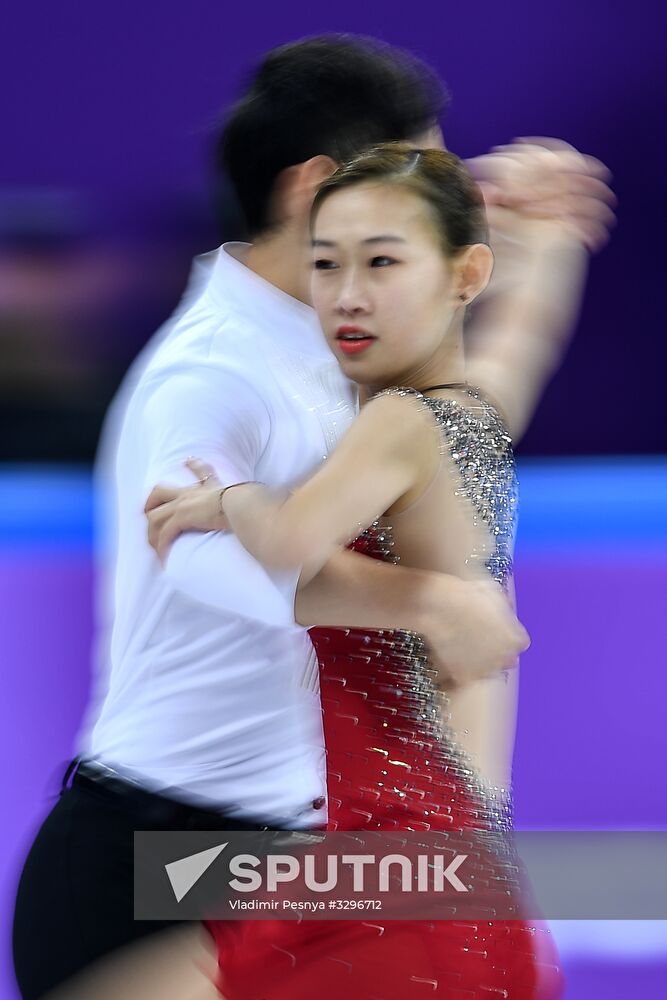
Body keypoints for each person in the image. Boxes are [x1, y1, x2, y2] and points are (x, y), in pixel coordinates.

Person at [12, 36, 538, 1000]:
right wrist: (431, 601)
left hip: (301, 858)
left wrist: (541, 257)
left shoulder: (357, 351)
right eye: (415, 166)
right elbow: (206, 559)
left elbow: (484, 399)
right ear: (317, 191)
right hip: (160, 860)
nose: (440, 184)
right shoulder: (211, 369)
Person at [142, 142, 589, 999]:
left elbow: (290, 542)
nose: (345, 295)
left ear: (463, 274)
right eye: (324, 264)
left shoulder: (397, 422)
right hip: (447, 872)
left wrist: (224, 499)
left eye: (380, 262)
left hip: (393, 880)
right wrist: (552, 241)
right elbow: (525, 333)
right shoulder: (475, 413)